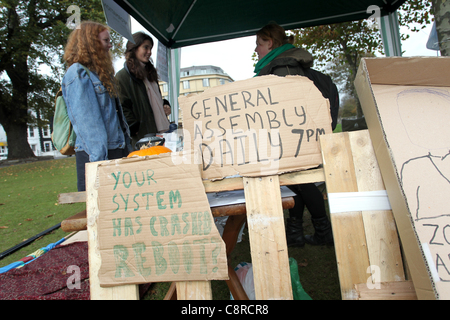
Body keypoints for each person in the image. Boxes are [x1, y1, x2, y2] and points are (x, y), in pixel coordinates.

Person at [254, 23, 339, 246]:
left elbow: (288, 109)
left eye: (258, 44)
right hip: (299, 135)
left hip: (294, 137)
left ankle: (323, 232)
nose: (256, 50)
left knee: (301, 182)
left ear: (269, 43)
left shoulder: (282, 68)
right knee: (296, 182)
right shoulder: (287, 63)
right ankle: (296, 234)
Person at [62, 21, 132, 192]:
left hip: (115, 151)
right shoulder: (78, 74)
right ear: (90, 44)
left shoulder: (101, 74)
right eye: (105, 41)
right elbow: (88, 124)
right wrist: (99, 164)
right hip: (98, 156)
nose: (110, 45)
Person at [116, 32, 172, 149]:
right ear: (134, 48)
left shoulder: (149, 74)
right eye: (145, 47)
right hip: (140, 138)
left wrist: (164, 104)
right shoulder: (122, 76)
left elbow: (153, 101)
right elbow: (122, 106)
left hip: (158, 133)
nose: (149, 52)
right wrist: (133, 126)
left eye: (150, 48)